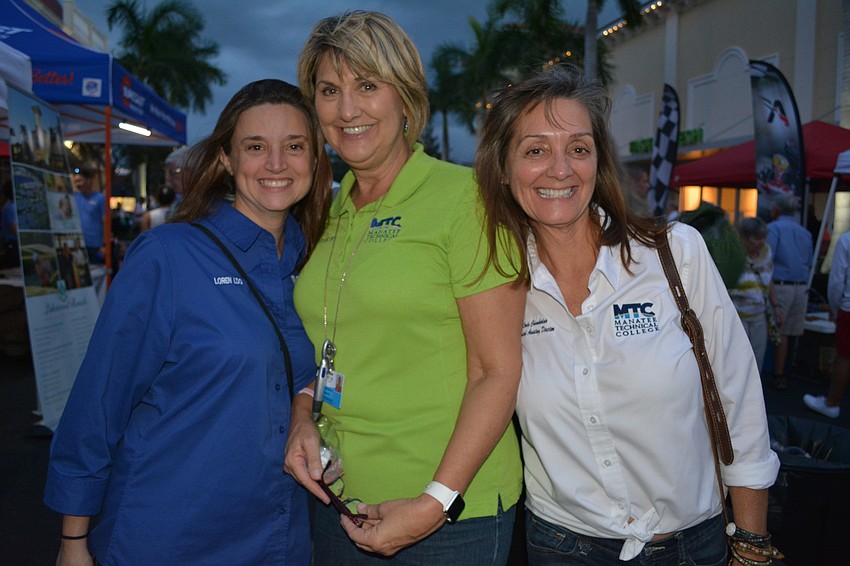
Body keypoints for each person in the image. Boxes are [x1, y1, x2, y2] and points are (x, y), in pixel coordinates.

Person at [476, 65, 780, 566]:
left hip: (693, 544)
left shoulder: (674, 255)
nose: (560, 169)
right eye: (535, 150)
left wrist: (751, 544)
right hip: (562, 547)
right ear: (503, 169)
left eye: (578, 148)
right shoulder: (498, 285)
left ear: (599, 163)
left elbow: (739, 399)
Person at [44, 79, 332, 565]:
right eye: (256, 147)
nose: (277, 164)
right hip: (168, 534)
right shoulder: (168, 257)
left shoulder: (310, 262)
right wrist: (73, 542)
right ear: (225, 158)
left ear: (315, 159)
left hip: (275, 534)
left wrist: (304, 409)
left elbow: (300, 369)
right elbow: (99, 400)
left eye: (295, 146)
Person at [284, 11, 525, 564]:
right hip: (339, 501)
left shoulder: (465, 198)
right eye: (329, 90)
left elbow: (498, 371)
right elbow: (330, 344)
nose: (348, 110)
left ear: (405, 98)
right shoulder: (328, 207)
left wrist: (435, 502)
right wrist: (303, 417)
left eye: (368, 85)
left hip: (447, 515)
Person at [766, 193, 813, 390]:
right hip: (801, 287)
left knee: (780, 332)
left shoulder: (773, 228)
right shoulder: (805, 232)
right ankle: (784, 371)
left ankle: (777, 374)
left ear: (776, 209)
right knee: (791, 332)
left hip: (781, 285)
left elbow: (767, 259)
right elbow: (809, 261)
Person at [803, 229, 850, 418]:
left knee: (844, 356)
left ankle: (832, 402)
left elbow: (837, 280)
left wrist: (834, 305)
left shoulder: (846, 240)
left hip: (848, 307)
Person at [729, 217, 783, 374]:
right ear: (743, 237)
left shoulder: (766, 252)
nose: (761, 242)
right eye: (757, 238)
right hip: (737, 316)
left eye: (763, 238)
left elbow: (768, 280)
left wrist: (776, 306)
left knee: (757, 360)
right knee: (738, 361)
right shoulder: (732, 254)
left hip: (759, 314)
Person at [72, 164, 106, 264]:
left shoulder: (100, 199)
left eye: (80, 181)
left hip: (95, 246)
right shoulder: (74, 197)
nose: (78, 184)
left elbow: (105, 222)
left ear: (89, 181)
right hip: (78, 245)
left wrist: (104, 245)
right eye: (76, 182)